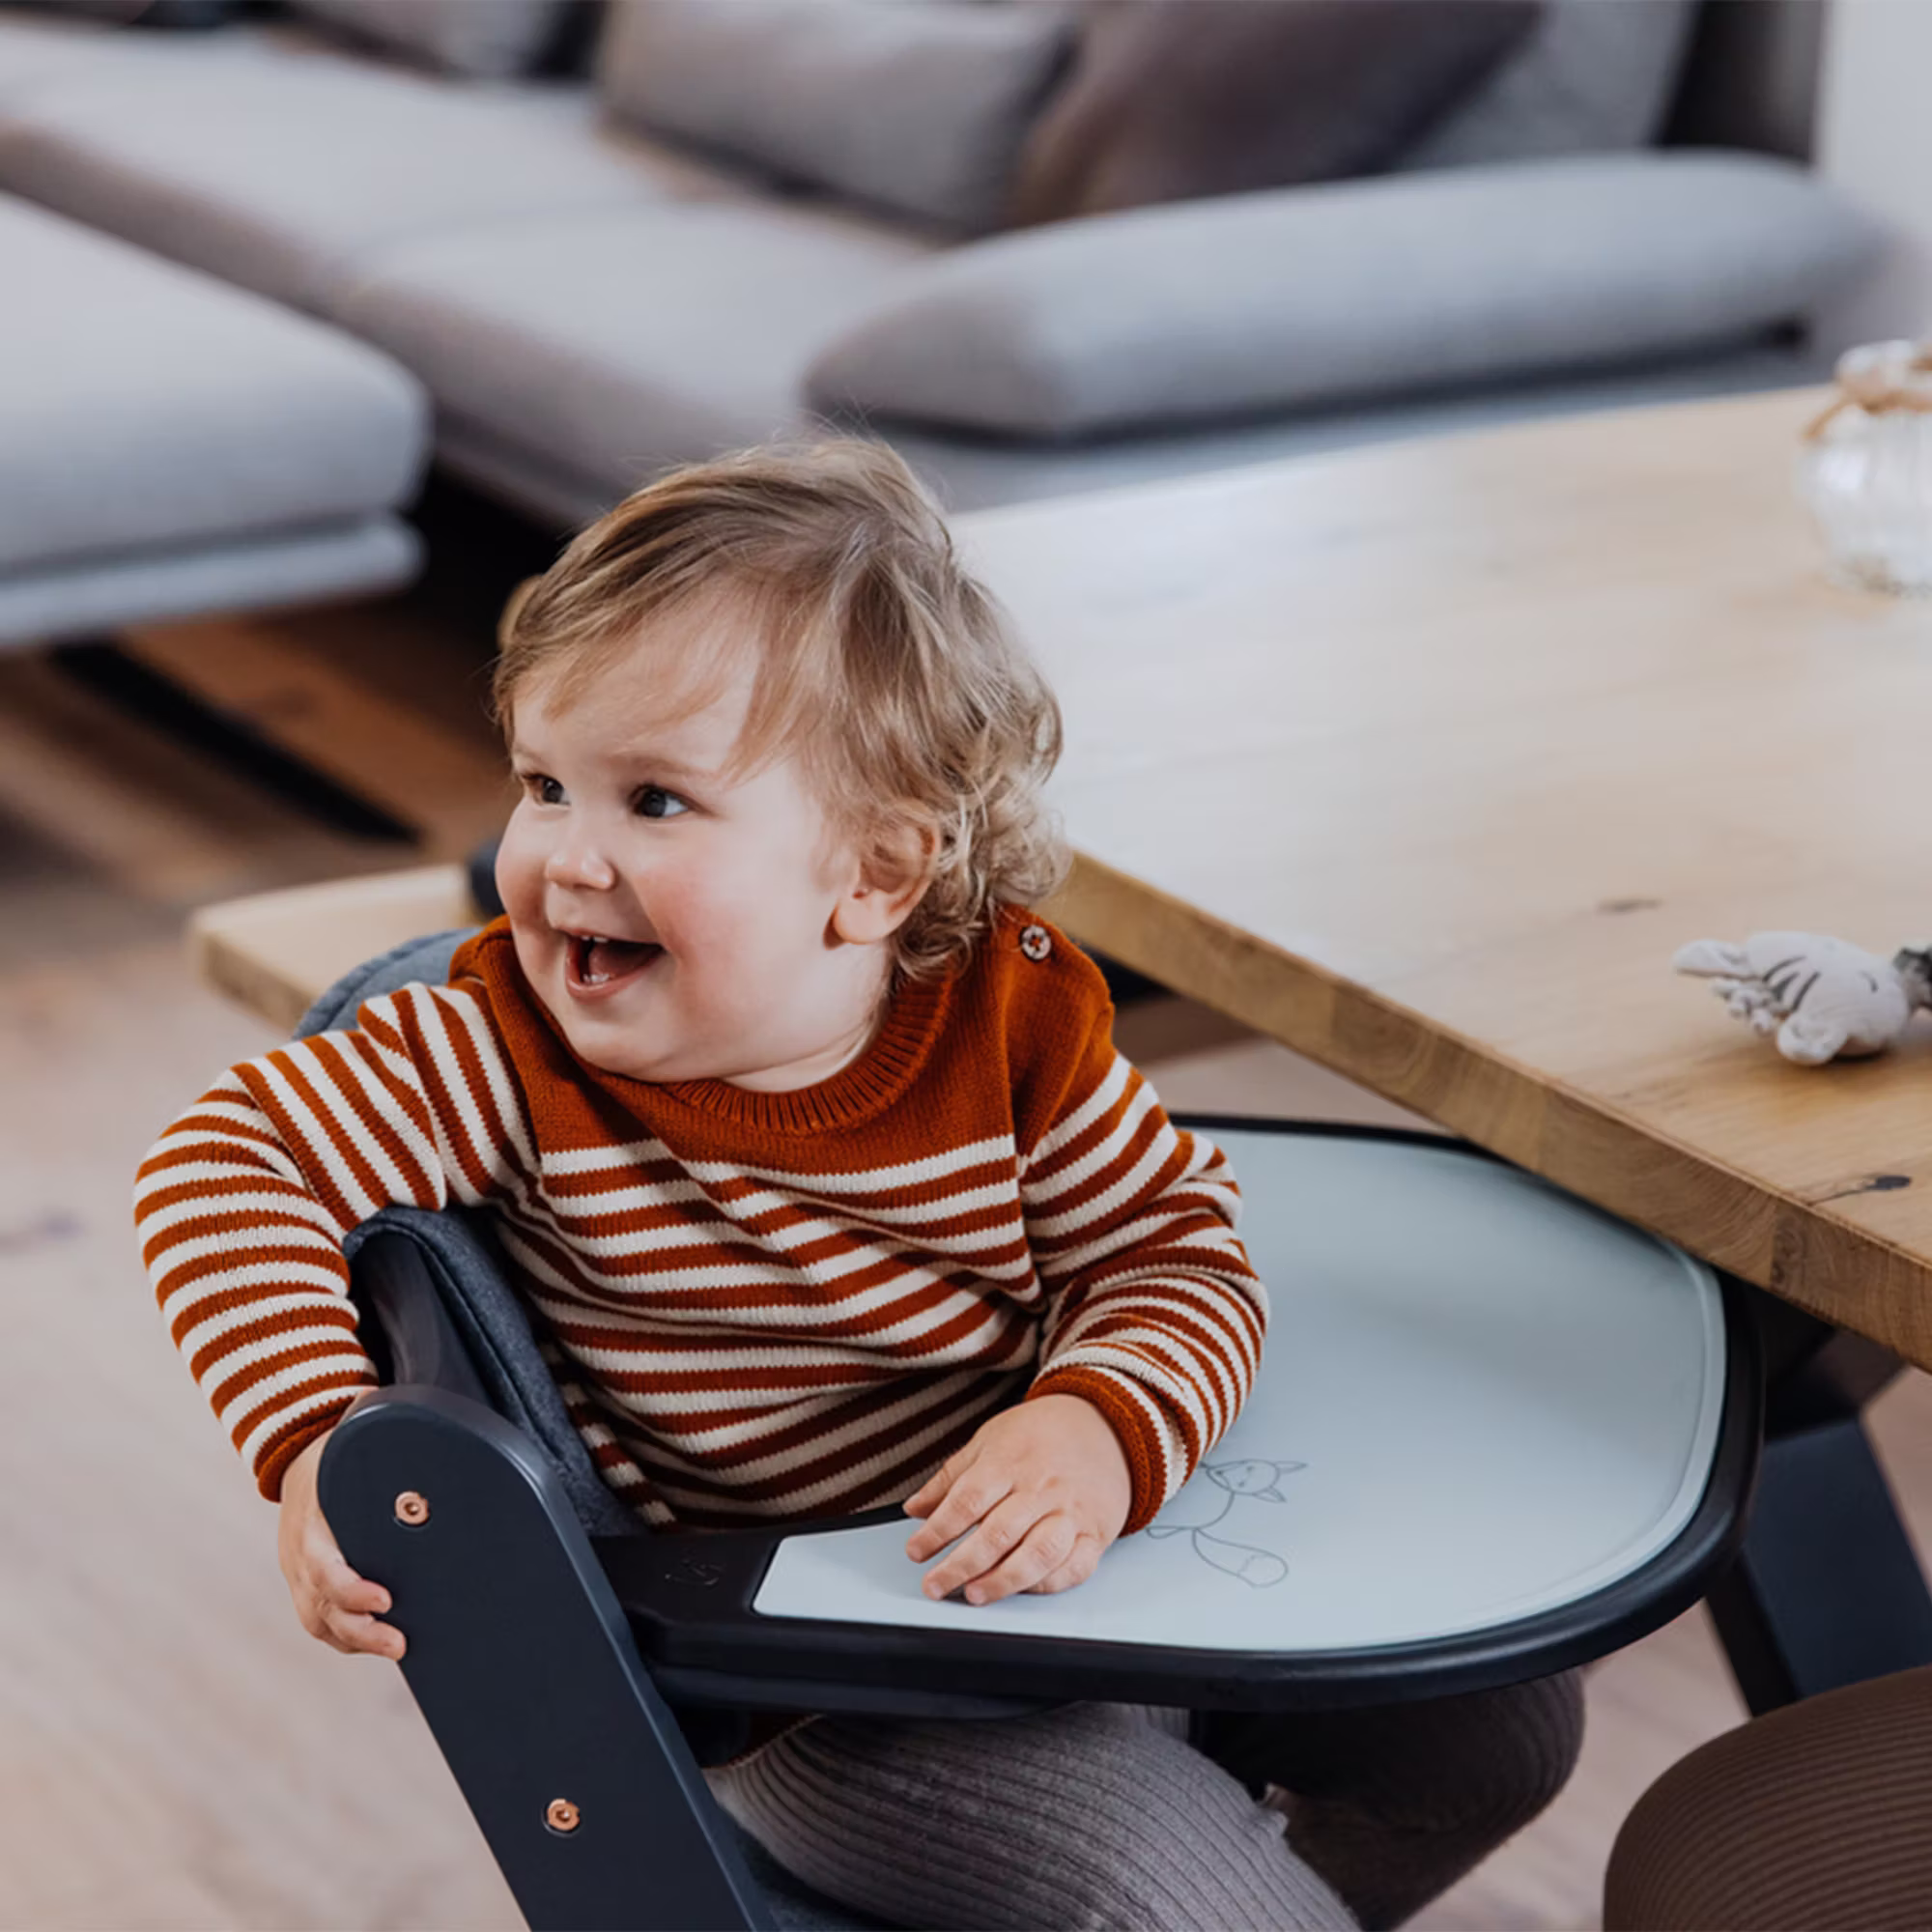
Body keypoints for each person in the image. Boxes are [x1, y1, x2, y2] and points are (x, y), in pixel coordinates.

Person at [133, 440, 1579, 1930]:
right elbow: (218, 1165)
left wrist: (1092, 1425)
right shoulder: (500, 1049)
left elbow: (1175, 1255)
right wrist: (316, 1435)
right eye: (545, 782)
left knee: (1504, 1739)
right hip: (833, 1700)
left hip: (1081, 1594)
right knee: (1192, 1904)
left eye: (657, 802)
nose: (564, 854)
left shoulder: (1009, 1022)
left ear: (877, 876)